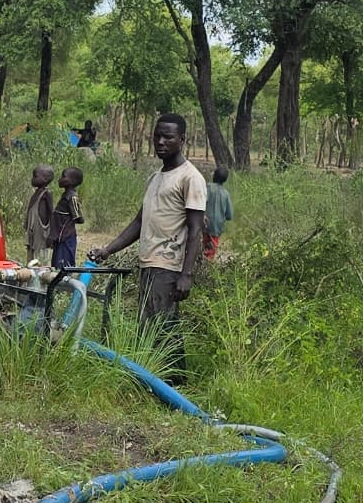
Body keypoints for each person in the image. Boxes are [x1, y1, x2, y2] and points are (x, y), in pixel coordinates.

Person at [89, 112, 205, 359]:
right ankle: (160, 377)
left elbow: (196, 229)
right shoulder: (156, 177)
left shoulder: (190, 178)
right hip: (149, 263)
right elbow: (139, 222)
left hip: (168, 266)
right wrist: (107, 250)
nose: (161, 142)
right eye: (157, 136)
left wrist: (186, 275)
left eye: (168, 137)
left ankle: (171, 379)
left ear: (182, 139)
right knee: (152, 327)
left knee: (162, 330)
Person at [49, 167, 84, 270]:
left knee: (64, 263)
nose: (60, 179)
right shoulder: (66, 195)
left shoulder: (72, 197)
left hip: (66, 236)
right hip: (60, 236)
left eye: (63, 176)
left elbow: (78, 216)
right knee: (57, 262)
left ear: (72, 181)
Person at [23, 164, 55, 264]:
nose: (32, 179)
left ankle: (42, 270)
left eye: (35, 176)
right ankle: (30, 268)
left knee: (41, 252)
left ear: (45, 179)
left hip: (41, 229)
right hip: (32, 228)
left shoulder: (47, 194)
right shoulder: (36, 193)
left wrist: (52, 234)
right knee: (30, 249)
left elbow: (51, 213)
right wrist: (26, 223)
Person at [203, 167, 235, 262]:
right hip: (217, 228)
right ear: (225, 180)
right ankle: (207, 265)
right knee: (211, 251)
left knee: (202, 246)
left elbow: (201, 201)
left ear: (214, 176)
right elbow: (229, 215)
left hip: (204, 224)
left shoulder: (208, 187)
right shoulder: (226, 194)